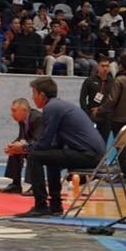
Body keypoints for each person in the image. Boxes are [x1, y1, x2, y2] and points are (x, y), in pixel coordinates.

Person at [15, 77, 106, 217]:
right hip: (94, 154)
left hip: (89, 156)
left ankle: (41, 205)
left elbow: (44, 142)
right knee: (52, 157)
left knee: (34, 157)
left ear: (42, 95)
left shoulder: (51, 108)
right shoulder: (58, 106)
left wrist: (25, 148)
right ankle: (55, 206)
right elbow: (53, 144)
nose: (32, 98)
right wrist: (28, 146)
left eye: (34, 93)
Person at [95, 55, 126, 184]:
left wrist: (99, 110)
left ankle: (122, 173)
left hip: (119, 118)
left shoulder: (119, 80)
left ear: (121, 66)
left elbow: (112, 100)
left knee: (121, 147)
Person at [0, 98, 43, 195]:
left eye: (14, 110)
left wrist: (22, 146)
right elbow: (21, 138)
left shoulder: (37, 118)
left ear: (24, 110)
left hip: (45, 147)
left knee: (31, 153)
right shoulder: (22, 120)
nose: (12, 114)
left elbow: (38, 140)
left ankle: (36, 187)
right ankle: (16, 185)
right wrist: (12, 146)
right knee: (15, 151)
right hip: (33, 145)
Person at [79, 55, 115, 142]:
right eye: (103, 66)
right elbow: (82, 99)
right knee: (91, 141)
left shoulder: (113, 82)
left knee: (103, 142)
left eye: (107, 66)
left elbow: (114, 100)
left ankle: (102, 156)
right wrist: (87, 115)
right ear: (98, 66)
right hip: (92, 116)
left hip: (107, 117)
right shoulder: (89, 81)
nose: (105, 68)